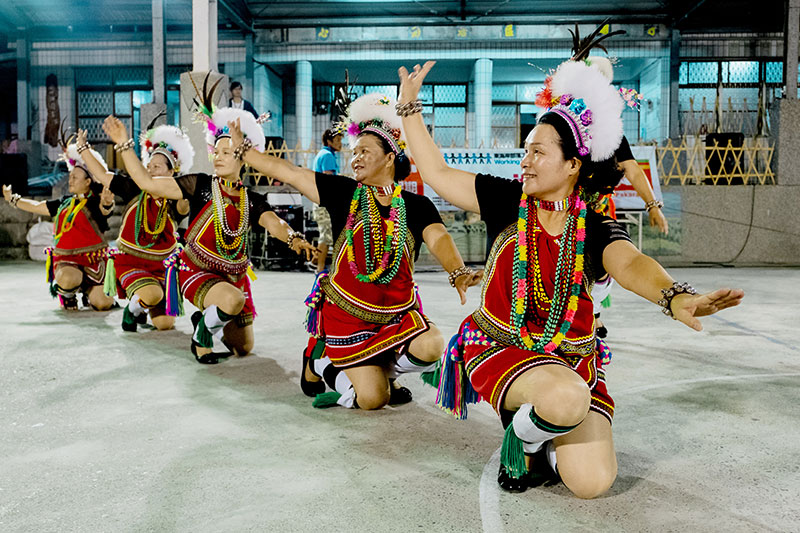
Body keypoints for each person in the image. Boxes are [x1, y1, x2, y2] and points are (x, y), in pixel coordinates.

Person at [397, 59, 744, 498]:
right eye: (526, 150)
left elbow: (632, 263)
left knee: (593, 483)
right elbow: (437, 173)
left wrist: (674, 296)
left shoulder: (595, 228)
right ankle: (524, 436)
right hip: (501, 346)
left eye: (538, 152)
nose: (525, 161)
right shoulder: (506, 200)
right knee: (565, 399)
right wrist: (409, 109)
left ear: (572, 166)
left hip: (571, 359)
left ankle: (539, 436)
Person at [230, 92, 481, 410]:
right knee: (374, 400)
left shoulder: (416, 205)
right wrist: (246, 152)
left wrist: (457, 271)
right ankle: (322, 363)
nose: (356, 158)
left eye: (365, 151)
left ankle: (384, 370)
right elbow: (292, 173)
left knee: (431, 346)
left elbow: (439, 237)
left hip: (397, 314)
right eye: (354, 151)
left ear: (390, 157)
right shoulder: (343, 192)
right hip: (348, 317)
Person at [101, 75, 316, 364]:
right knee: (232, 301)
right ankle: (202, 336)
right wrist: (124, 145)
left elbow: (273, 222)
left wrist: (294, 238)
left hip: (235, 274)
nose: (218, 156)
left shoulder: (250, 199)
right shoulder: (199, 185)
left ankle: (208, 318)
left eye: (227, 152)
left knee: (243, 348)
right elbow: (148, 183)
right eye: (217, 150)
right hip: (197, 269)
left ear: (244, 158)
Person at [77, 116, 193, 332]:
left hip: (162, 266)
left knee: (165, 324)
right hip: (132, 262)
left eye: (157, 167)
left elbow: (186, 205)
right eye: (149, 166)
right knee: (152, 294)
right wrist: (82, 149)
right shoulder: (133, 188)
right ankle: (132, 310)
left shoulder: (177, 199)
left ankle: (140, 307)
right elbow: (102, 175)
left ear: (172, 171)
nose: (150, 170)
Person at [3, 128, 115, 311]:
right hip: (68, 261)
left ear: (88, 181)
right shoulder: (64, 203)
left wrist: (108, 204)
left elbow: (105, 210)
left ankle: (89, 291)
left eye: (75, 177)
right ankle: (68, 293)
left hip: (94, 260)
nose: (70, 180)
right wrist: (13, 199)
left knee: (103, 304)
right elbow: (38, 207)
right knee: (68, 279)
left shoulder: (96, 201)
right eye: (70, 176)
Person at [311, 128, 343, 273]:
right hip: (324, 203)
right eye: (337, 140)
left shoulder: (322, 154)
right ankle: (320, 269)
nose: (340, 143)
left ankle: (315, 261)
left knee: (325, 234)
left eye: (341, 140)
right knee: (326, 236)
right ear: (329, 141)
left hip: (319, 201)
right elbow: (330, 181)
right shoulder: (328, 156)